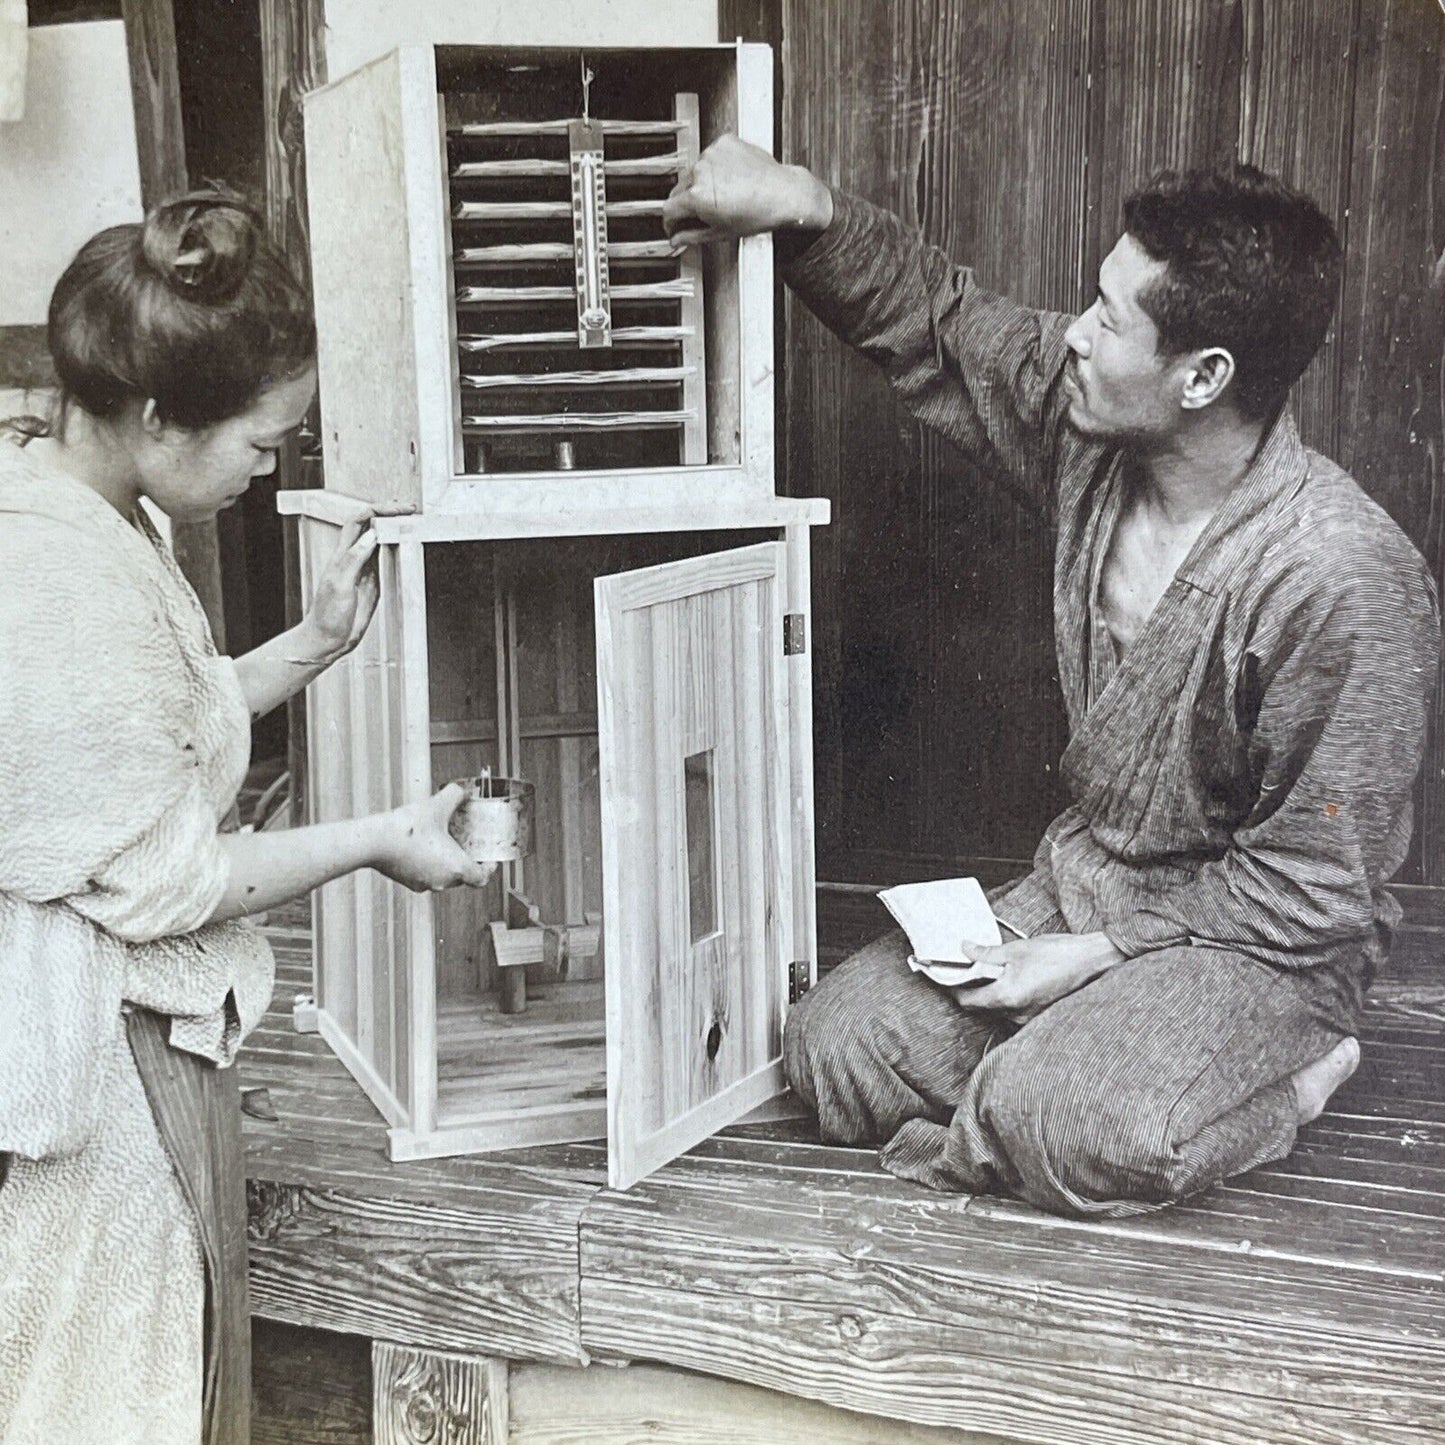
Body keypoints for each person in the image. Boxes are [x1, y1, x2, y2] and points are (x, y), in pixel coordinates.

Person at [664, 140, 1440, 1218]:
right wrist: (802, 207)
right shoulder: (1089, 431)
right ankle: (1066, 1076)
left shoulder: (1339, 576)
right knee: (834, 1049)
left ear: (1201, 375)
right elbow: (939, 323)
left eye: (1110, 316)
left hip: (1263, 945)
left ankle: (1290, 1081)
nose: (1073, 331)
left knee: (1064, 1122)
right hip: (1090, 882)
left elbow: (1314, 891)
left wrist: (1090, 959)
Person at [0, 191, 488, 1445]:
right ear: (158, 415)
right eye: (263, 443)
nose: (272, 466)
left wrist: (313, 644)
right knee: (114, 1400)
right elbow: (165, 873)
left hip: (135, 1030)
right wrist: (379, 838)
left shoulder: (96, 504)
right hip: (91, 1067)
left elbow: (152, 732)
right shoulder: (49, 580)